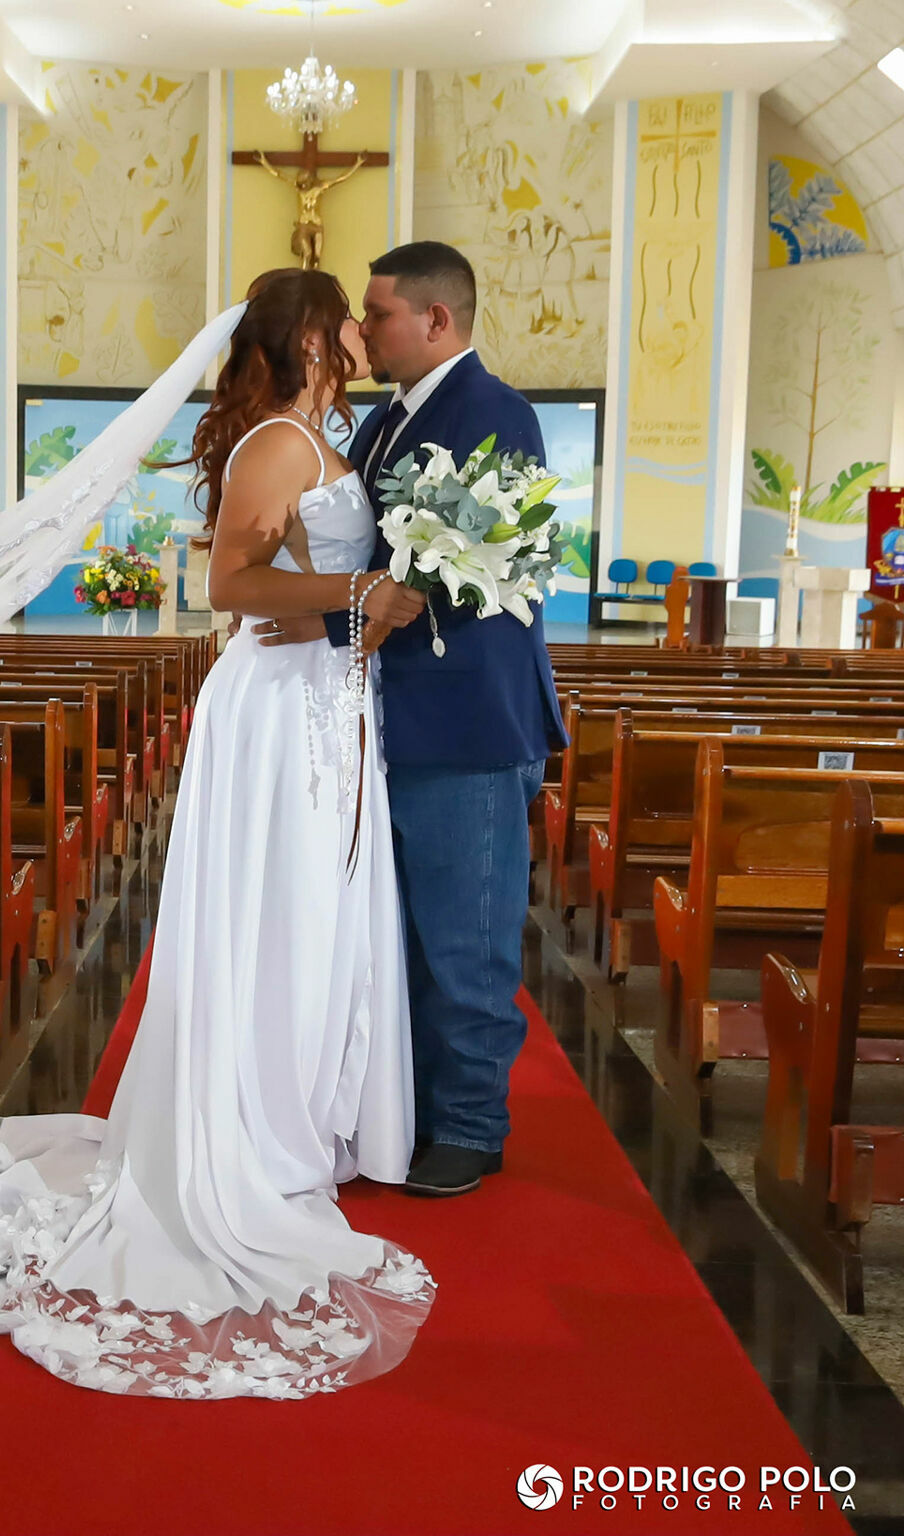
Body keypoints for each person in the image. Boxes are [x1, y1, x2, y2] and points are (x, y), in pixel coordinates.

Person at [0, 267, 438, 1399]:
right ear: (311, 332)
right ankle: (251, 1131)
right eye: (346, 313)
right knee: (275, 912)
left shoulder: (321, 437)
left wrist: (372, 603)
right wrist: (358, 598)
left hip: (327, 700)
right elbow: (235, 583)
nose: (357, 328)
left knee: (318, 912)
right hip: (276, 707)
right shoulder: (275, 447)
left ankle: (295, 1117)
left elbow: (313, 577)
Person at [317, 241, 567, 1197]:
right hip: (387, 721)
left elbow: (481, 565)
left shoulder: (498, 415)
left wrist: (375, 592)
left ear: (436, 320)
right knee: (403, 936)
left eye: (377, 315)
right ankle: (414, 1108)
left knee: (467, 938)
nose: (363, 333)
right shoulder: (385, 420)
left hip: (467, 725)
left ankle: (470, 1123)